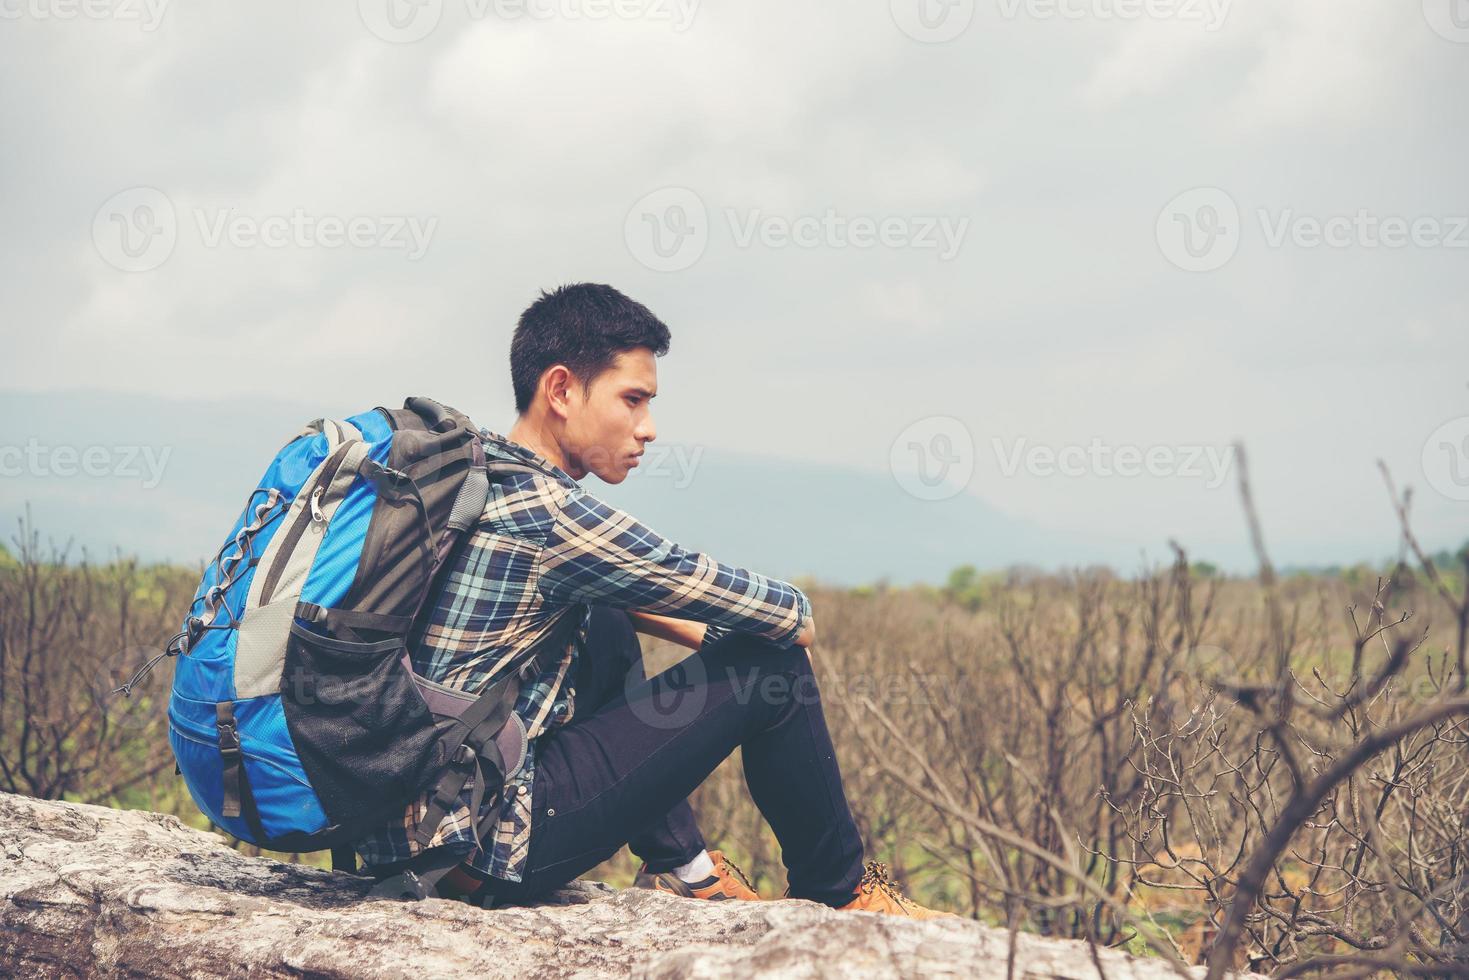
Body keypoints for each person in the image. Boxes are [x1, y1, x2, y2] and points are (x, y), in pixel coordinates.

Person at [352, 283, 955, 919]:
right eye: (632, 400)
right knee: (771, 669)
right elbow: (791, 618)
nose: (649, 429)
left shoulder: (473, 482)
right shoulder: (555, 516)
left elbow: (601, 594)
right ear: (561, 391)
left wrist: (701, 636)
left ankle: (684, 871)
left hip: (411, 830)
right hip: (488, 847)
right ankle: (842, 896)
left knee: (605, 609)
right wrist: (737, 644)